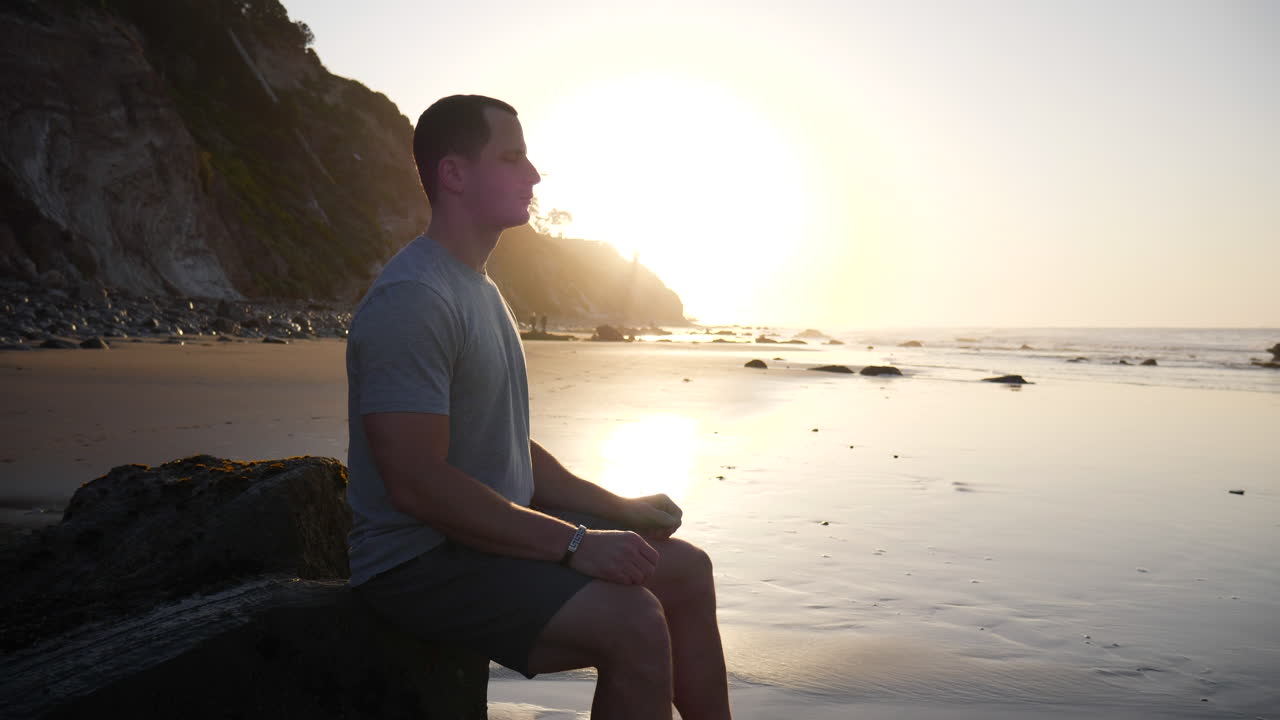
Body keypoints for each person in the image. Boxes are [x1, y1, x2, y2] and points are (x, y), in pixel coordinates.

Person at [345, 94, 732, 720]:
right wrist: (576, 543)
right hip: (418, 564)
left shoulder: (478, 288)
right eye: (512, 158)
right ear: (455, 174)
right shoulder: (414, 298)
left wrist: (617, 509)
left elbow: (504, 443)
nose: (532, 175)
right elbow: (415, 483)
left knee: (685, 571)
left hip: (483, 539)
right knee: (632, 620)